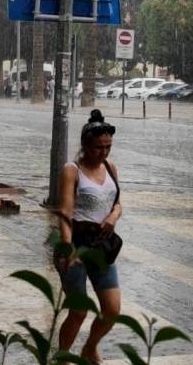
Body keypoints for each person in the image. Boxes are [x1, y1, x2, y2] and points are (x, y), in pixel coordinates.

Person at [57, 109, 122, 364]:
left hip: (103, 247)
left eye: (108, 147)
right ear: (85, 145)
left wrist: (113, 217)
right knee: (79, 310)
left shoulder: (110, 167)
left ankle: (90, 347)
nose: (103, 153)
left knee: (112, 309)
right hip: (76, 245)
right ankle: (62, 356)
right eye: (98, 147)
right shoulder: (72, 170)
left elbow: (118, 203)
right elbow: (64, 212)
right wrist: (66, 248)